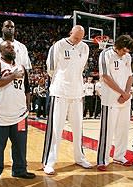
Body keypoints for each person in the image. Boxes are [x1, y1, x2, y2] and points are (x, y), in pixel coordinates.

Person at [41, 25, 92, 175]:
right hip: (60, 92)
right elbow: (50, 68)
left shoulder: (85, 48)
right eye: (76, 37)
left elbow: (81, 68)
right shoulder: (59, 45)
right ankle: (49, 162)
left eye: (80, 38)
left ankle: (79, 157)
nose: (78, 40)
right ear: (71, 33)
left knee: (78, 128)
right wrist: (61, 80)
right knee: (56, 129)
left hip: (77, 93)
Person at [0, 40, 35, 186]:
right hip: (0, 115)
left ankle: (20, 169)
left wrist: (27, 106)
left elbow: (26, 90)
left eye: (12, 47)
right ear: (1, 51)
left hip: (20, 115)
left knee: (20, 145)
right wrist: (13, 76)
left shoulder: (22, 67)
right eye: (7, 47)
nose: (11, 48)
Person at [97, 35, 133, 171]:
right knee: (107, 130)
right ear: (119, 45)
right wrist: (122, 92)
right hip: (110, 99)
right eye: (124, 50)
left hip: (124, 100)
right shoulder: (105, 54)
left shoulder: (127, 57)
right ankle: (102, 159)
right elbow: (105, 77)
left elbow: (130, 76)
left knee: (123, 130)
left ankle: (120, 156)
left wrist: (126, 93)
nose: (126, 53)